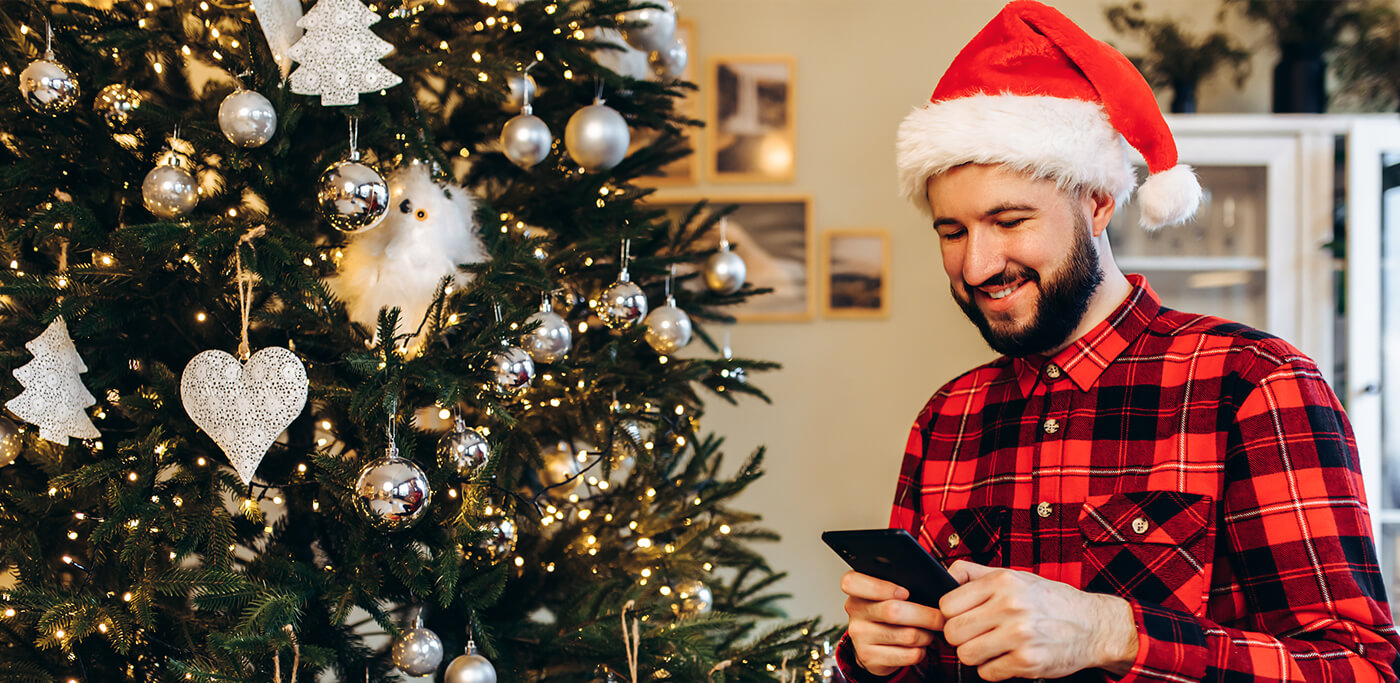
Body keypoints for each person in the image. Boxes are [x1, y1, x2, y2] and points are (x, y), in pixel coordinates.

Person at [836, 2, 1400, 682]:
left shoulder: (1256, 384)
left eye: (1009, 220)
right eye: (952, 233)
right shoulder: (945, 419)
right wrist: (871, 660)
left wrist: (1113, 632)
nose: (978, 264)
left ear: (1098, 201)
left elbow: (1359, 668)